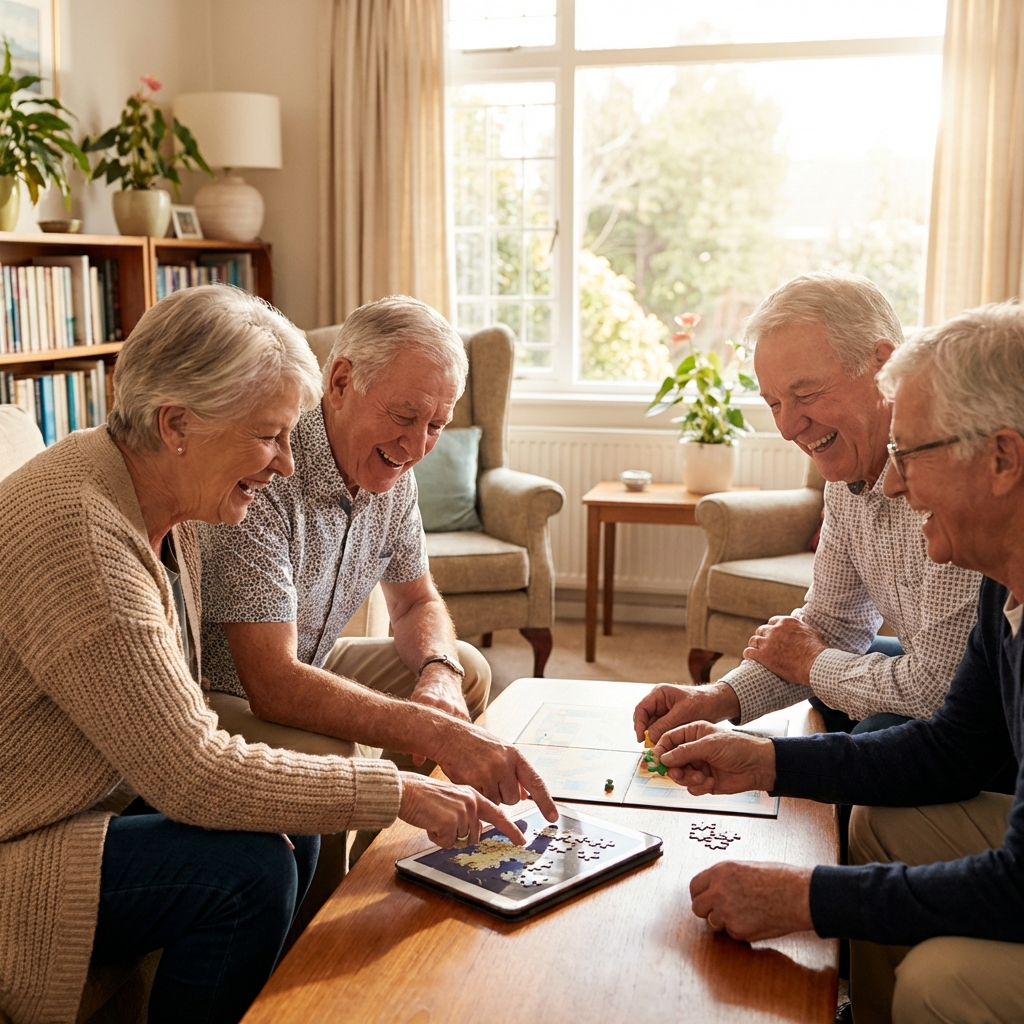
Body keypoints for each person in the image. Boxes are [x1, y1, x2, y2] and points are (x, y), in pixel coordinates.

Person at [0, 286, 549, 1024]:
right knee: (250, 871)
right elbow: (195, 771)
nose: (288, 466)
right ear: (177, 426)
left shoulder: (161, 493)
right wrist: (402, 790)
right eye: (269, 437)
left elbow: (416, 603)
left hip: (99, 789)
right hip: (27, 836)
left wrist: (437, 684)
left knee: (287, 821)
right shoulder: (89, 538)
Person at [647, 301, 1024, 1024]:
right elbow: (953, 747)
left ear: (1002, 459)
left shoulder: (978, 548)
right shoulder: (1004, 573)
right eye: (773, 402)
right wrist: (760, 756)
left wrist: (806, 899)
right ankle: (861, 1005)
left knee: (940, 981)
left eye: (912, 456)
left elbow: (1021, 879)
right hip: (974, 752)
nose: (892, 484)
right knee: (877, 824)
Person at [197, 296, 546, 805]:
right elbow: (271, 684)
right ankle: (355, 876)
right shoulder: (266, 470)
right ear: (340, 383)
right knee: (334, 754)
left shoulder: (393, 477)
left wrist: (438, 672)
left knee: (466, 668)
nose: (417, 446)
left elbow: (415, 603)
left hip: (308, 661)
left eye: (436, 426)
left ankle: (404, 839)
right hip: (224, 691)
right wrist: (430, 730)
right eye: (405, 415)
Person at [637, 273, 981, 745]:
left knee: (874, 722)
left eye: (805, 394)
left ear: (883, 365)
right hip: (936, 673)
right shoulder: (844, 476)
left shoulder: (954, 474)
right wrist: (717, 697)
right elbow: (833, 625)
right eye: (774, 402)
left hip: (995, 711)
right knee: (827, 682)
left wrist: (814, 662)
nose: (787, 426)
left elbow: (939, 692)